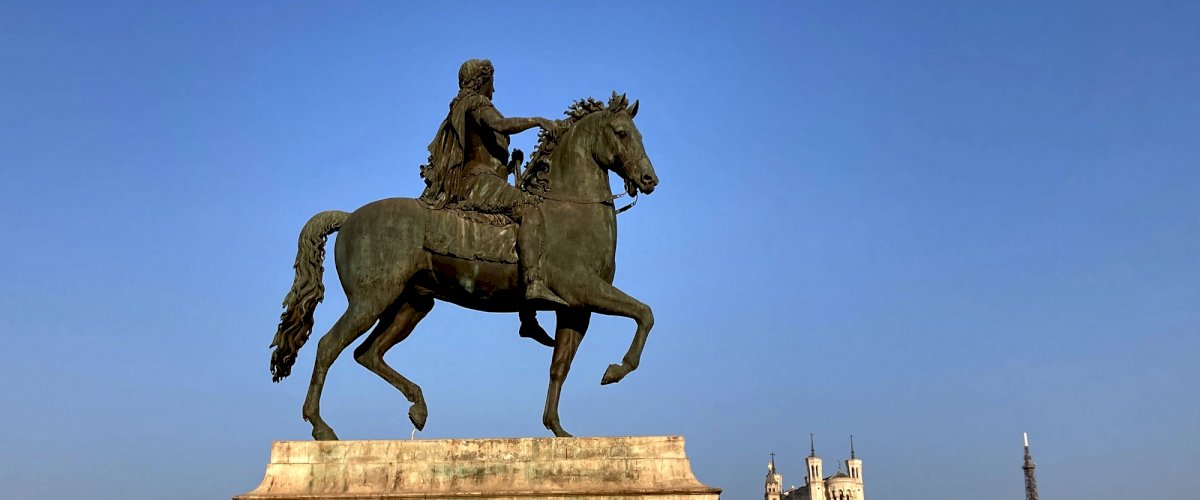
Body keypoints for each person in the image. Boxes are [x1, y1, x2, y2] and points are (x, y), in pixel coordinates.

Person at [420, 59, 566, 313]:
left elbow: (487, 153)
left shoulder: (462, 105)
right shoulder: (477, 103)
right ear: (482, 81)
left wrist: (511, 167)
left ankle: (527, 316)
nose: (494, 90)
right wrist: (537, 121)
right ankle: (533, 282)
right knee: (530, 208)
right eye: (492, 83)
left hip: (483, 179)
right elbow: (501, 125)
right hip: (477, 182)